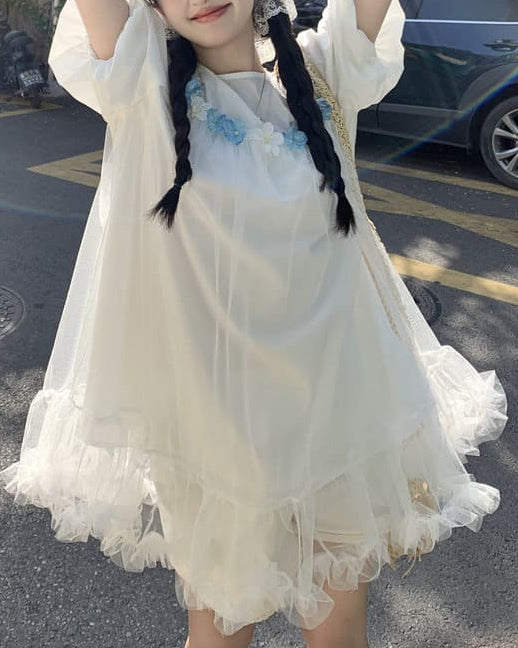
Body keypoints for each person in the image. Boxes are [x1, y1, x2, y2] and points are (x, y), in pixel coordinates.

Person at [0, 0, 508, 647]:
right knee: (220, 634)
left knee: (339, 632)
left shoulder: (324, 71)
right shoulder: (143, 83)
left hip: (339, 418)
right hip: (217, 440)